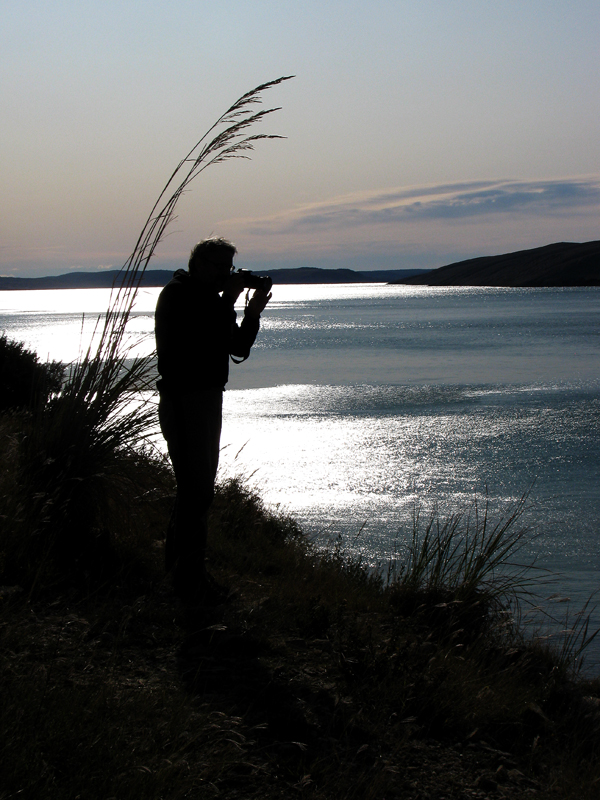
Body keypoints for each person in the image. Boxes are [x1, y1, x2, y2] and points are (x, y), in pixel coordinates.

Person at [154, 237, 271, 603]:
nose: (226, 274)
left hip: (203, 397)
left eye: (230, 268)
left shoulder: (204, 297)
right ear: (198, 263)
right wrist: (231, 301)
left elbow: (235, 346)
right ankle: (189, 579)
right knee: (198, 490)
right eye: (219, 267)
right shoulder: (181, 294)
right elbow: (205, 334)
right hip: (187, 399)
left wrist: (251, 313)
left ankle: (182, 573)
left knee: (194, 488)